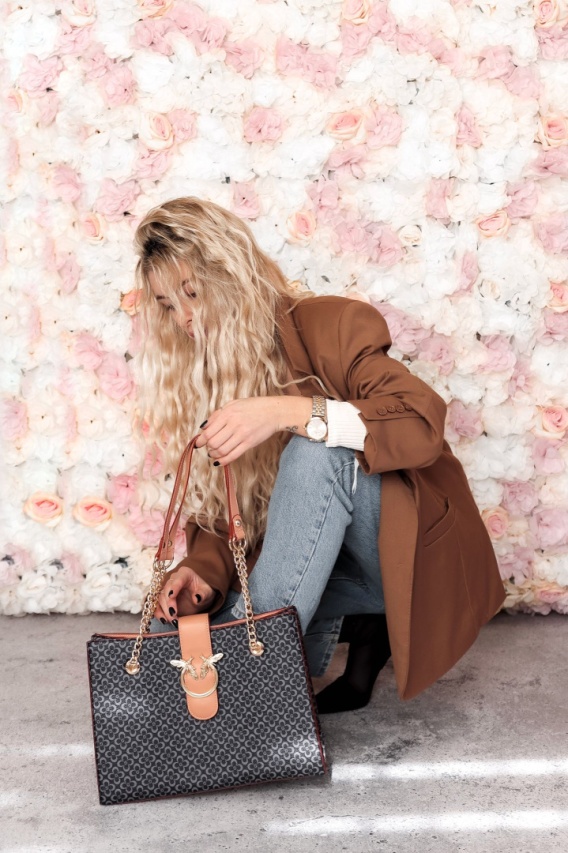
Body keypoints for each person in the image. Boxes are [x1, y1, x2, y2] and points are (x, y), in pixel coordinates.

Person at [133, 196, 506, 714]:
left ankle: (247, 687)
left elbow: (421, 423)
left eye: (192, 293)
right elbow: (229, 508)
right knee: (178, 625)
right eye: (168, 305)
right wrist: (200, 569)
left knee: (316, 452)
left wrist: (288, 412)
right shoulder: (209, 374)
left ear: (231, 274)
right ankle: (196, 709)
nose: (185, 318)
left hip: (406, 557)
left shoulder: (332, 323)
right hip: (320, 566)